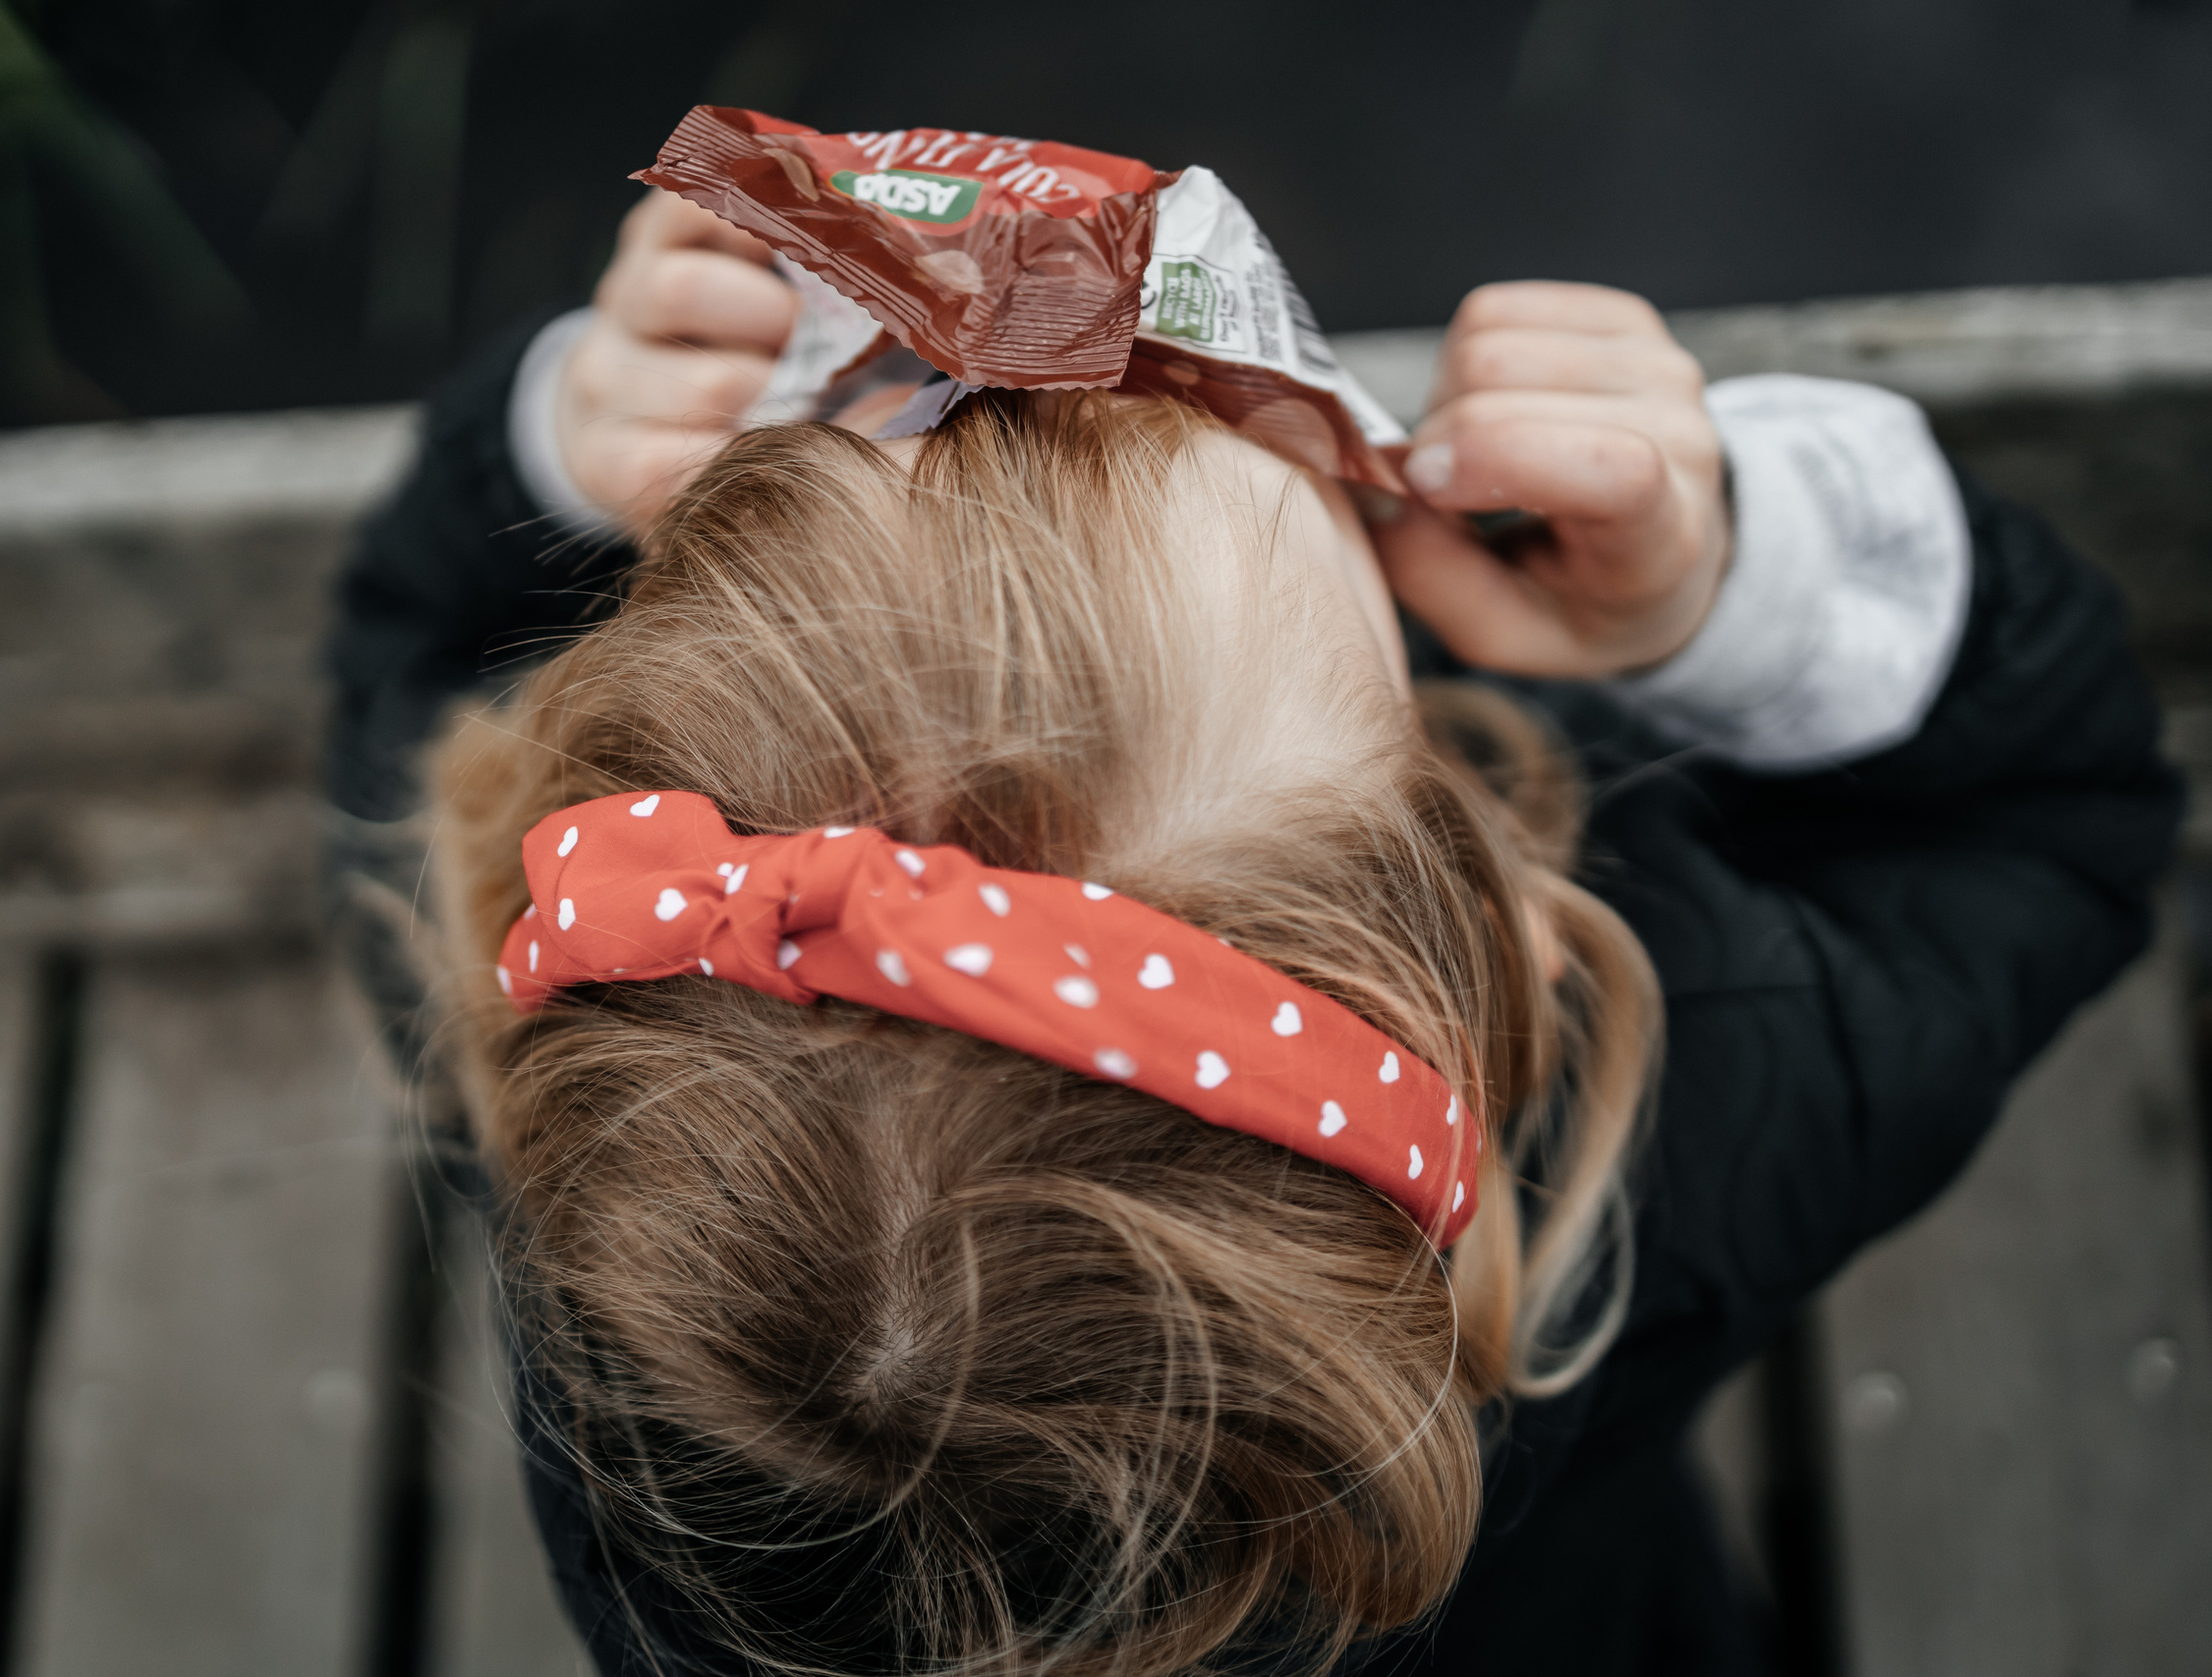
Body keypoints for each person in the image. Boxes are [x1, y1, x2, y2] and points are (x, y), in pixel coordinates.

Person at [324, 190, 2181, 1675]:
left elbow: (409, 663)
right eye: (1372, 613)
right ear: (1523, 936)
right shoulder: (1726, 1081)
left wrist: (557, 444)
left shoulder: (623, 1156)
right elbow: (2057, 820)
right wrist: (1735, 594)